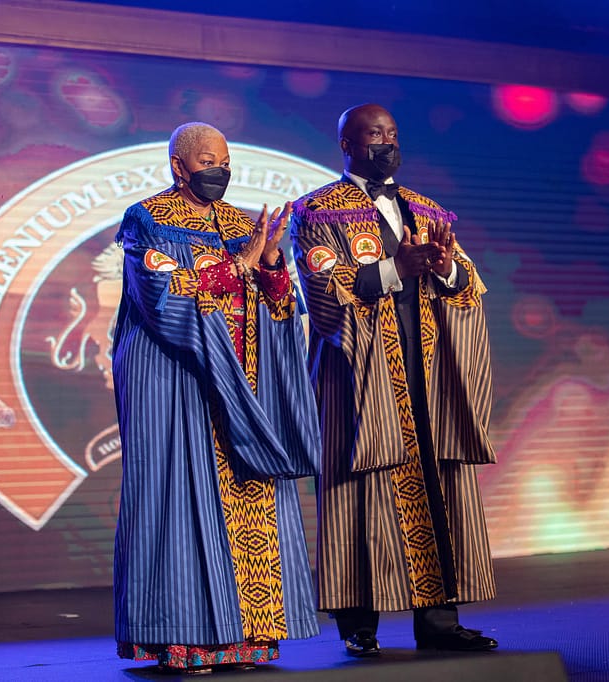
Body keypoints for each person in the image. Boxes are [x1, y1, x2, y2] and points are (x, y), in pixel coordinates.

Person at [112, 122, 321, 674]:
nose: (219, 171)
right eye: (207, 161)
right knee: (177, 500)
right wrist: (241, 266)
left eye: (225, 162)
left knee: (251, 502)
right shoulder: (147, 219)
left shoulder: (243, 225)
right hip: (176, 380)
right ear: (178, 166)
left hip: (242, 384)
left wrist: (271, 264)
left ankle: (247, 639)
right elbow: (161, 296)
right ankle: (184, 640)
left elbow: (280, 306)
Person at [289, 103, 498, 657]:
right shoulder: (316, 212)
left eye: (392, 133)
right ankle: (359, 625)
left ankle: (440, 623)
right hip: (360, 374)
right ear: (347, 144)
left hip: (426, 372)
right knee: (359, 494)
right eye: (373, 134)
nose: (385, 143)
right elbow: (323, 290)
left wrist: (445, 267)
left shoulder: (427, 210)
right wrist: (395, 268)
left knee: (437, 485)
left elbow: (467, 283)